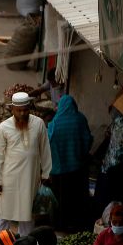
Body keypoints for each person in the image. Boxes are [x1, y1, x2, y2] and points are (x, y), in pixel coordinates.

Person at [0, 91, 52, 236]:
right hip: (9, 179)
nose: (22, 114)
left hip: (31, 178)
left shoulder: (39, 124)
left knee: (27, 216)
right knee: (3, 215)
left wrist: (46, 173)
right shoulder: (4, 127)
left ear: (29, 108)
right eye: (19, 111)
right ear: (12, 109)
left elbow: (45, 149)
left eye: (25, 110)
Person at [47, 95, 92, 231]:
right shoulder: (80, 119)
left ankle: (59, 225)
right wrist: (80, 154)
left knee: (60, 199)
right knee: (76, 197)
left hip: (59, 170)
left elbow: (48, 146)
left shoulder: (54, 124)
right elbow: (87, 140)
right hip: (77, 168)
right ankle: (76, 224)